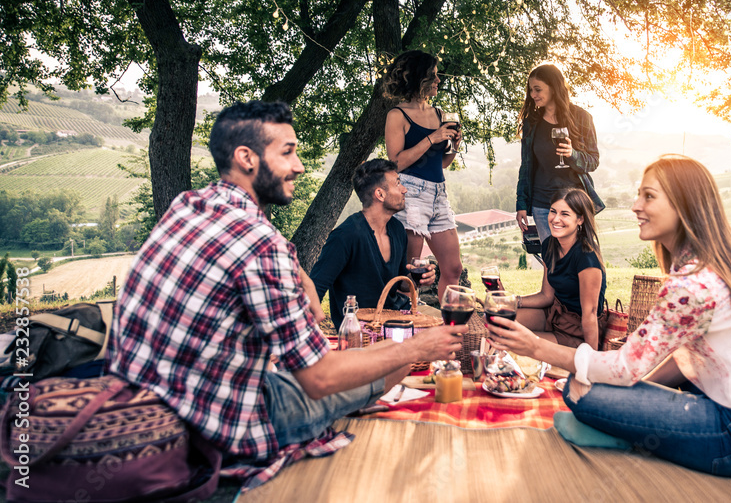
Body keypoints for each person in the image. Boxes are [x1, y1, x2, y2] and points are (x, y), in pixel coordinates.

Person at [107, 101, 467, 463]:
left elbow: (307, 305)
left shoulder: (189, 206)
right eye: (287, 153)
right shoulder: (262, 242)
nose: (299, 166)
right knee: (396, 360)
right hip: (219, 426)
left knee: (379, 353)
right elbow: (319, 379)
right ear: (246, 157)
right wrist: (417, 349)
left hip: (150, 401)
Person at [489, 155, 731, 479]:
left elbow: (622, 369)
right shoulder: (725, 263)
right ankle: (629, 424)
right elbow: (682, 357)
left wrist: (533, 347)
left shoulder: (692, 284)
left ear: (684, 205)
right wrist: (635, 393)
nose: (635, 205)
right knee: (602, 385)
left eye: (648, 196)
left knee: (578, 389)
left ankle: (621, 432)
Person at [310, 159, 436, 327]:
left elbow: (401, 285)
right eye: (397, 184)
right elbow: (316, 287)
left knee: (450, 329)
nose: (404, 189)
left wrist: (416, 278)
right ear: (380, 194)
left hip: (396, 317)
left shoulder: (397, 229)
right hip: (362, 327)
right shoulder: (345, 235)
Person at [384, 50, 463, 303]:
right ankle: (405, 329)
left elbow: (441, 163)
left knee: (453, 269)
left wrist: (454, 146)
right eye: (433, 76)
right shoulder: (397, 115)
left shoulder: (440, 114)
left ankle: (447, 328)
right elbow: (395, 162)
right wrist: (432, 138)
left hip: (439, 193)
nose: (439, 81)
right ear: (419, 78)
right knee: (411, 277)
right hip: (411, 193)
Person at [515, 64, 603, 242]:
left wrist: (573, 154)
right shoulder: (531, 123)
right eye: (531, 90)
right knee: (552, 263)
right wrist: (521, 204)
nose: (533, 95)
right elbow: (526, 166)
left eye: (538, 89)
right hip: (543, 204)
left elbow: (593, 161)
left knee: (582, 260)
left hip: (575, 204)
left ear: (554, 88)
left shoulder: (582, 118)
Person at [514, 187, 607, 349]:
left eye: (565, 214)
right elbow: (546, 296)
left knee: (518, 343)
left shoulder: (586, 257)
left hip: (577, 329)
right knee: (500, 321)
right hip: (554, 316)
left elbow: (590, 314)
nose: (556, 219)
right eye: (553, 211)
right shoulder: (549, 245)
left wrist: (591, 360)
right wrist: (513, 301)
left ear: (580, 219)